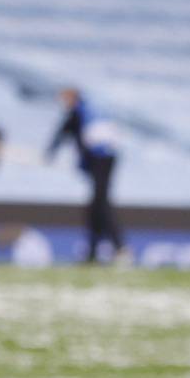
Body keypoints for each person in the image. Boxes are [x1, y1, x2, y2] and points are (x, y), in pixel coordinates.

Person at [48, 87, 125, 262]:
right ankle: (93, 252)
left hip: (101, 160)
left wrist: (50, 153)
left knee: (100, 205)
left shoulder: (79, 112)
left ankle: (119, 248)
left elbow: (62, 133)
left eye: (65, 99)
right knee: (96, 206)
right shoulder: (91, 112)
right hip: (105, 160)